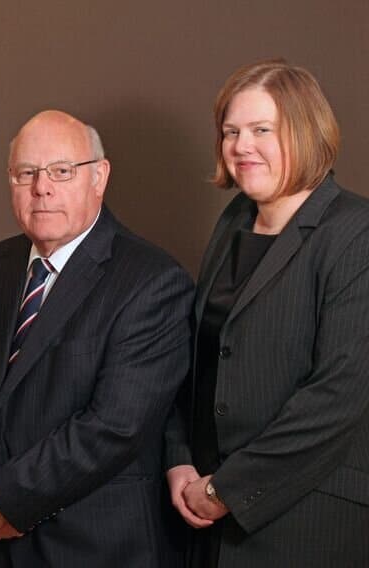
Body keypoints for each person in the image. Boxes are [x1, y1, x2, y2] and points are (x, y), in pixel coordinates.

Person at [0, 109, 194, 567]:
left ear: (99, 177)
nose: (42, 188)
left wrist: (1, 499)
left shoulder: (152, 281)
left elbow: (114, 427)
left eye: (62, 171)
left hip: (97, 547)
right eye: (26, 173)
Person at [165, 60, 369, 567]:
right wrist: (179, 460)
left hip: (305, 518)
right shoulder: (234, 221)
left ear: (305, 132)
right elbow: (200, 360)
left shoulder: (356, 232)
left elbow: (338, 395)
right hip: (206, 517)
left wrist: (226, 490)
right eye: (231, 131)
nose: (241, 146)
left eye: (262, 130)